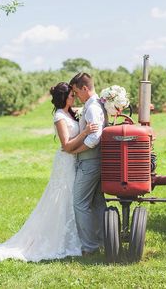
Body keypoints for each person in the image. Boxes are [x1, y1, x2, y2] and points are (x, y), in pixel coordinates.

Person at [0, 82, 98, 262]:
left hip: (75, 161)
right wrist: (85, 132)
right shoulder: (59, 116)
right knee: (61, 199)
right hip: (66, 161)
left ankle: (79, 238)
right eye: (72, 95)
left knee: (72, 199)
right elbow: (66, 145)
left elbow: (90, 106)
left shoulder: (70, 113)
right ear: (64, 98)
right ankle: (59, 239)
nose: (74, 97)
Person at [68, 72, 107, 256]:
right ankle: (104, 241)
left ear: (85, 88)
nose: (76, 96)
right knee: (98, 202)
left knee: (80, 203)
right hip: (97, 161)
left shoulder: (92, 107)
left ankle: (90, 248)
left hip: (89, 162)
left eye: (76, 92)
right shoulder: (96, 104)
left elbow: (95, 138)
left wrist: (76, 151)